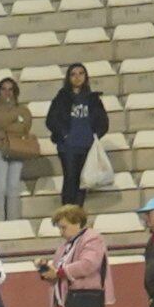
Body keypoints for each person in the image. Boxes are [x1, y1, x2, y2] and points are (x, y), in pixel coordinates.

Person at [38, 202, 111, 307]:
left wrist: (58, 272)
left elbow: (88, 264)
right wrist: (47, 271)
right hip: (63, 302)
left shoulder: (92, 239)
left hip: (82, 299)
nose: (61, 232)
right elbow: (58, 271)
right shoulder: (65, 246)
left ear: (77, 222)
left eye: (63, 227)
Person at [0, 76, 42, 223]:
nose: (7, 92)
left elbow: (24, 127)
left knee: (14, 186)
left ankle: (14, 221)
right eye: (4, 89)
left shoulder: (24, 110)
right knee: (0, 186)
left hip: (16, 149)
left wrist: (4, 128)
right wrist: (14, 120)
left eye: (11, 89)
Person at [47, 65, 110, 206]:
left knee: (83, 183)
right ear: (68, 78)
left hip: (87, 146)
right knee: (70, 180)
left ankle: (78, 216)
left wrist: (95, 136)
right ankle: (66, 214)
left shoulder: (93, 99)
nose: (77, 77)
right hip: (68, 147)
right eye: (73, 74)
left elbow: (103, 122)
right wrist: (64, 135)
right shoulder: (62, 97)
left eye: (81, 73)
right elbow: (51, 120)